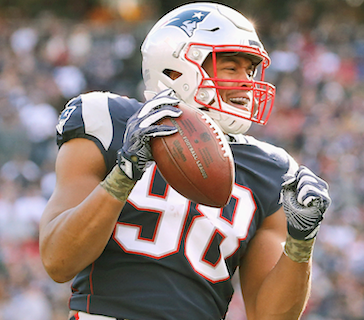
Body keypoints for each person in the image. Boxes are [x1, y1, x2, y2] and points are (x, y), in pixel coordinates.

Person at [39, 2, 331, 320]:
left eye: (250, 70)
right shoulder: (110, 121)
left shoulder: (271, 170)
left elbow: (269, 316)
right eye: (231, 67)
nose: (246, 82)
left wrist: (302, 241)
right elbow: (58, 260)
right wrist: (124, 172)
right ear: (176, 69)